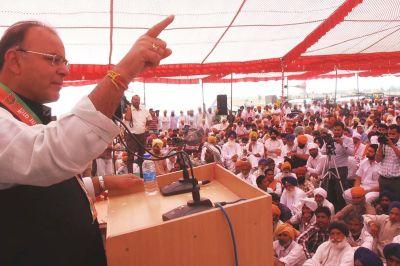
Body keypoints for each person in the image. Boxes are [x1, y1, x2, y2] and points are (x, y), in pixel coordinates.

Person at [0, 16, 174, 265]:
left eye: (64, 61)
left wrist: (103, 183)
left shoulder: (27, 114)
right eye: (53, 59)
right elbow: (47, 155)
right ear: (15, 60)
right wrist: (122, 73)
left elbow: (36, 187)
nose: (64, 69)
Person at [321, 121, 354, 212]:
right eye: (335, 130)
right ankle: (331, 211)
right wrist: (327, 146)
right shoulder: (329, 138)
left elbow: (351, 153)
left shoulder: (348, 140)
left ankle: (342, 211)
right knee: (329, 191)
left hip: (341, 168)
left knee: (340, 192)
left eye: (339, 130)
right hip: (330, 168)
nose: (336, 132)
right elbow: (322, 151)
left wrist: (342, 143)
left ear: (343, 130)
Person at [124, 94, 152, 173]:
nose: (136, 101)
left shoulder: (144, 109)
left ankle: (142, 172)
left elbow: (150, 119)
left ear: (140, 101)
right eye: (135, 99)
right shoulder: (129, 109)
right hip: (131, 135)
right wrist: (129, 108)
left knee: (141, 155)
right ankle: (130, 174)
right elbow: (128, 118)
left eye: (138, 100)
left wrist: (145, 127)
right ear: (131, 100)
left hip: (142, 135)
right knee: (131, 156)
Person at [376, 124, 400, 196]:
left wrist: (392, 145)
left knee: (396, 202)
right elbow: (377, 160)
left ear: (399, 134)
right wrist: (380, 145)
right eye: (389, 133)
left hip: (396, 180)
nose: (390, 136)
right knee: (383, 202)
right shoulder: (384, 144)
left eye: (393, 134)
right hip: (383, 179)